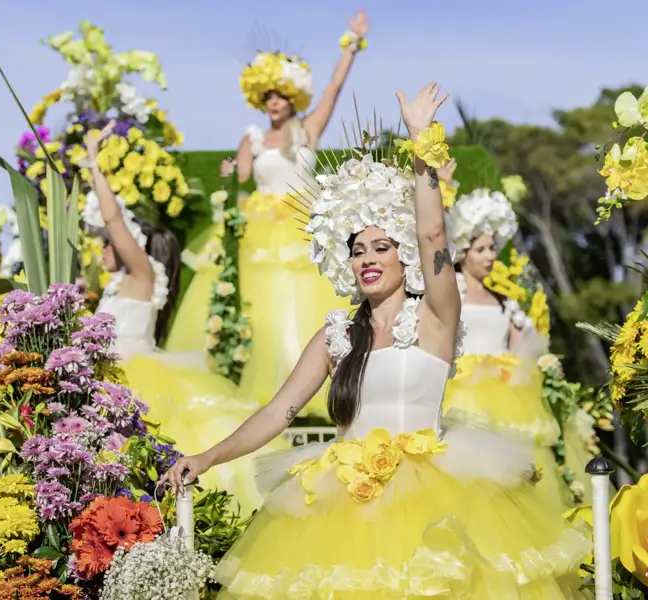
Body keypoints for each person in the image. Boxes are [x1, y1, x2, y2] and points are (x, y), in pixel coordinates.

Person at [161, 84, 590, 599]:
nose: (367, 257)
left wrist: (421, 142)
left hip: (435, 501)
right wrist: (207, 457)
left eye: (381, 246)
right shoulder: (335, 335)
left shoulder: (435, 314)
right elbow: (278, 413)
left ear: (402, 253)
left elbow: (434, 235)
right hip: (341, 507)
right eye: (358, 248)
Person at [166, 11, 370, 419]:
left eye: (280, 96)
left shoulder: (309, 128)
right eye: (268, 97)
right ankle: (266, 385)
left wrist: (351, 42)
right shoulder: (253, 135)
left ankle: (313, 381)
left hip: (300, 221)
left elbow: (334, 86)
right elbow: (241, 174)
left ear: (293, 96)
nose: (273, 103)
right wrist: (230, 168)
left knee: (300, 296)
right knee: (261, 301)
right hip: (260, 223)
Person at [85, 125, 287, 513]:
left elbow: (114, 221)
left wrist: (95, 164)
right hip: (108, 378)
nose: (102, 249)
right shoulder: (114, 286)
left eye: (109, 243)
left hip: (137, 378)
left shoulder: (143, 275)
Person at [442, 183, 577, 510]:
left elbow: (525, 350)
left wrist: (541, 364)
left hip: (507, 396)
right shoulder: (450, 297)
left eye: (492, 248)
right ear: (463, 252)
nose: (490, 256)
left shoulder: (505, 303)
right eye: (481, 249)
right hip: (462, 393)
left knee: (511, 474)